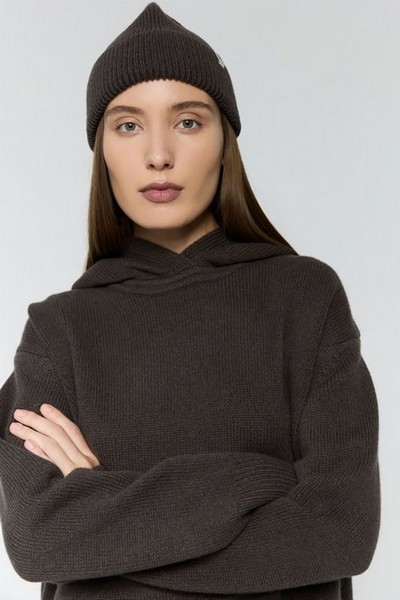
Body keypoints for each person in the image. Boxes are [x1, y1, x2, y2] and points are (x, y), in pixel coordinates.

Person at [0, 3, 380, 600]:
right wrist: (259, 481)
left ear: (225, 142)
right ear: (102, 152)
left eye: (187, 121)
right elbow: (39, 542)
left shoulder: (307, 299)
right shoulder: (58, 330)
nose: (158, 155)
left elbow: (341, 531)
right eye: (128, 126)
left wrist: (103, 513)